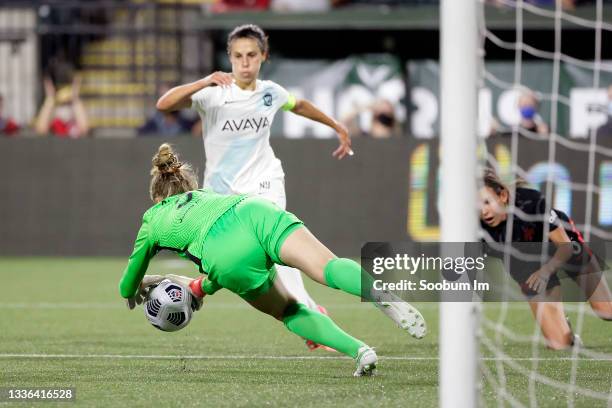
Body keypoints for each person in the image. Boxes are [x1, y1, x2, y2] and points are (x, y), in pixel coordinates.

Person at [119, 144, 427, 376]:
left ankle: (360, 352)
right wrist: (199, 288)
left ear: (157, 197)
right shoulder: (205, 196)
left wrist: (141, 284)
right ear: (186, 186)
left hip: (227, 256)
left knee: (289, 310)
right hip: (255, 211)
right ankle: (378, 294)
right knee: (327, 267)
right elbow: (226, 240)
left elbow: (126, 286)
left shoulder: (153, 218)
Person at [155, 24, 353, 350]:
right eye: (238, 56)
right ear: (229, 58)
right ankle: (209, 288)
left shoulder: (270, 92)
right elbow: (164, 104)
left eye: (251, 56)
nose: (245, 63)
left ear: (263, 56)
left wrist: (336, 125)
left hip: (265, 183)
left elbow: (298, 105)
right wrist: (204, 80)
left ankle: (309, 313)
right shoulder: (213, 93)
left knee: (277, 248)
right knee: (235, 262)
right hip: (221, 197)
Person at [479, 168, 612, 350]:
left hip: (562, 246)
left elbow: (565, 246)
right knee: (560, 345)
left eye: (487, 202)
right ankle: (565, 332)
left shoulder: (531, 201)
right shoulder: (477, 228)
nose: (484, 211)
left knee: (606, 311)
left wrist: (546, 271)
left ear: (502, 196)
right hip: (524, 263)